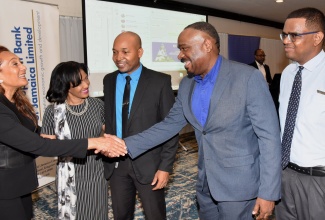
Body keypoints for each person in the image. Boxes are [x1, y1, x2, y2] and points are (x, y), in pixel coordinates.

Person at [116, 22, 282, 220]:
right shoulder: (187, 84)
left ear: (207, 45)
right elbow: (168, 125)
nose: (179, 55)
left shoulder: (247, 78)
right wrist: (123, 144)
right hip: (205, 185)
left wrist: (268, 192)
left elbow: (269, 137)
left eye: (184, 48)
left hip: (240, 188)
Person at [0, 46, 126, 220]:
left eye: (21, 62)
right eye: (15, 64)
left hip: (89, 174)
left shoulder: (16, 104)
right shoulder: (52, 111)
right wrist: (94, 142)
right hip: (12, 187)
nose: (23, 67)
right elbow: (42, 145)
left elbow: (36, 137)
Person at [103, 31, 179, 220]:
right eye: (114, 52)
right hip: (117, 165)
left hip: (149, 164)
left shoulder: (160, 82)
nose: (118, 58)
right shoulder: (109, 80)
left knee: (155, 215)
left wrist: (165, 167)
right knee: (121, 215)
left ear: (140, 52)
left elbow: (170, 126)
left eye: (125, 52)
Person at [41, 61, 108, 220]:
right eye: (79, 83)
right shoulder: (53, 112)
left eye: (86, 78)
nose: (86, 84)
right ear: (65, 86)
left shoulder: (97, 105)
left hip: (96, 172)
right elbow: (47, 147)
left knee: (97, 214)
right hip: (68, 175)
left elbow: (109, 135)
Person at [275, 8, 325, 220]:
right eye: (284, 34)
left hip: (318, 180)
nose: (286, 40)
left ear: (317, 37)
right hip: (284, 173)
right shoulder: (288, 73)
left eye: (294, 35)